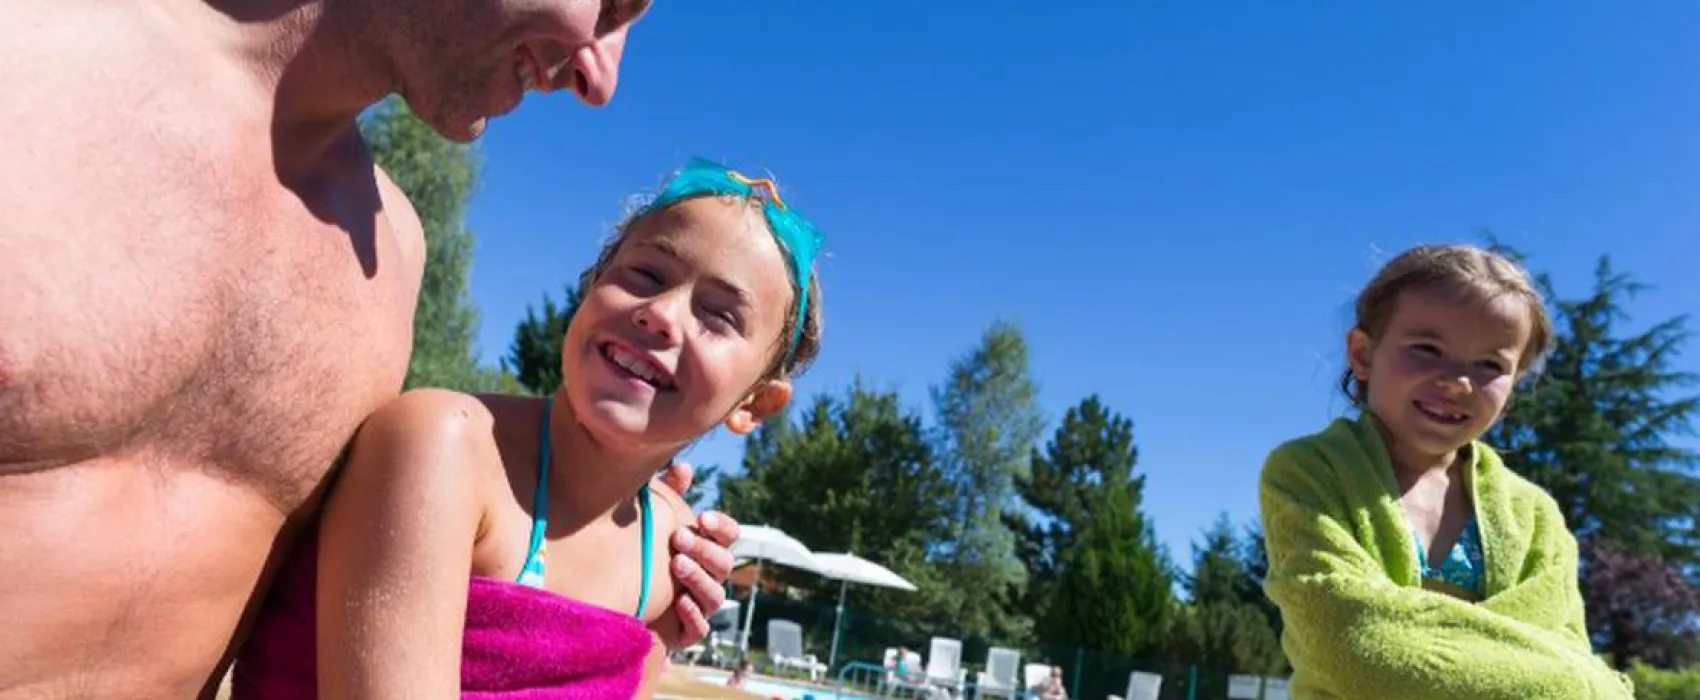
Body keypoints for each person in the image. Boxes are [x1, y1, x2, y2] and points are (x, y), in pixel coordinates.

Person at [0, 1, 744, 697]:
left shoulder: (393, 249)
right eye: (610, 5)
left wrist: (630, 540)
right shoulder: (30, 60)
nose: (600, 78)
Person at [232, 157, 825, 699]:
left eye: (718, 315)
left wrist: (663, 639)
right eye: (646, 274)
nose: (663, 313)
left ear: (754, 403)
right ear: (591, 288)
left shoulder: (669, 554)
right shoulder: (446, 446)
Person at [1258, 244, 1635, 699]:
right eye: (1426, 349)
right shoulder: (1309, 473)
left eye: (1490, 365)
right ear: (1362, 354)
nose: (1458, 382)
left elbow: (1572, 648)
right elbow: (1352, 647)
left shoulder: (1536, 516)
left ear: (1514, 385)